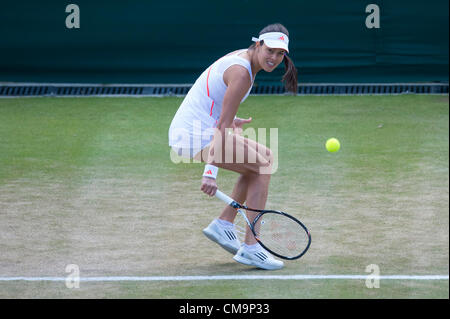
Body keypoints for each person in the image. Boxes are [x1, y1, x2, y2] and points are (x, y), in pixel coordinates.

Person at [168, 23, 298, 270]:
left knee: (266, 157)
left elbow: (216, 105)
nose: (274, 58)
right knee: (262, 165)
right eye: (270, 50)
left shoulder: (245, 61)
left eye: (280, 54)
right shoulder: (241, 73)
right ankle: (252, 247)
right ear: (258, 45)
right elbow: (222, 126)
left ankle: (224, 224)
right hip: (192, 135)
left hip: (198, 128)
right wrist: (210, 173)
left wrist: (227, 119)